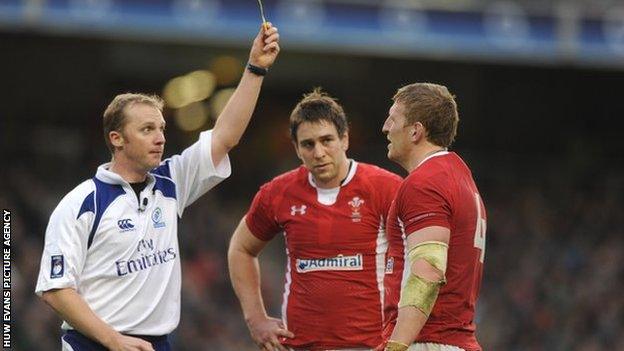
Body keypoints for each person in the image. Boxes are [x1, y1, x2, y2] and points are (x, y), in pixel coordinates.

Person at [34, 23, 280, 351]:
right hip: (94, 344)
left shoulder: (171, 182)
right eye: (148, 129)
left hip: (158, 344)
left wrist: (255, 68)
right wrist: (114, 340)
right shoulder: (80, 203)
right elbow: (55, 289)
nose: (161, 137)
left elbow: (225, 137)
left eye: (161, 128)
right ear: (116, 139)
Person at [228, 89, 403, 351]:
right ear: (297, 149)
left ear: (344, 139)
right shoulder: (278, 193)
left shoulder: (385, 188)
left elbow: (420, 255)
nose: (318, 152)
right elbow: (241, 249)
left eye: (327, 140)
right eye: (308, 144)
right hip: (300, 345)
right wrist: (256, 319)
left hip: (369, 345)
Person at [380, 83, 486, 351]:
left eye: (393, 119)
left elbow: (428, 269)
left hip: (429, 341)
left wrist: (397, 346)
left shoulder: (425, 183)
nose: (385, 127)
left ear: (415, 130)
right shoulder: (459, 175)